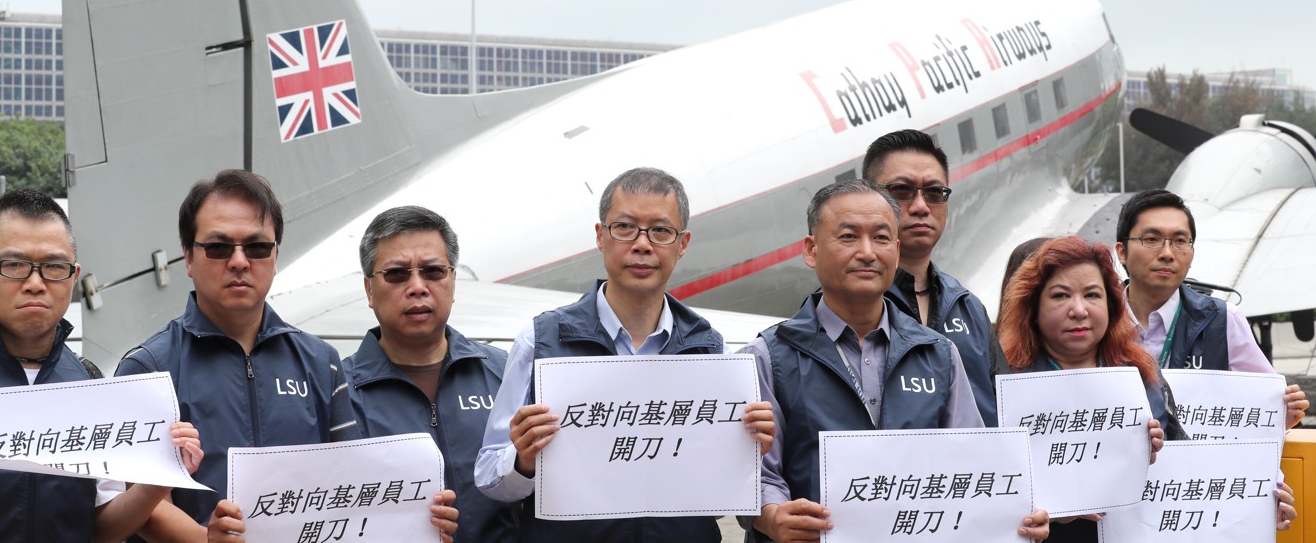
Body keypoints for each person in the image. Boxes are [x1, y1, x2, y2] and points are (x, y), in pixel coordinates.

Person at [475, 167, 775, 542]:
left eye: (661, 231)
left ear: (683, 244)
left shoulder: (708, 347)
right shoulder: (541, 341)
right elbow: (489, 475)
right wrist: (522, 461)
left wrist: (741, 454)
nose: (642, 245)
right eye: (625, 227)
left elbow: (712, 506)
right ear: (601, 237)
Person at [741, 180, 1049, 542]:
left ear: (897, 250)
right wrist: (772, 516)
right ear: (811, 250)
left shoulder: (938, 353)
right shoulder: (769, 356)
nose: (868, 252)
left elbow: (970, 465)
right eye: (848, 237)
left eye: (882, 238)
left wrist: (1014, 514)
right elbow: (755, 473)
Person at [996, 235, 1295, 540]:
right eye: (1060, 296)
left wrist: (1260, 504)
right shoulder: (1003, 383)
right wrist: (1052, 511)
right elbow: (986, 492)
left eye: (1092, 295)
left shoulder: (1142, 373)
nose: (1079, 310)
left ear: (1112, 304)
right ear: (1032, 307)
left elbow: (1191, 476)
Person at [114, 170, 358, 542]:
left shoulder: (322, 362)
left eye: (257, 247)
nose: (240, 261)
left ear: (275, 256)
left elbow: (351, 478)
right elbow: (143, 504)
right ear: (189, 259)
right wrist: (206, 540)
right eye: (219, 247)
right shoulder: (146, 368)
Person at [0, 189, 202, 542]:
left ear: (74, 277)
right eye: (13, 265)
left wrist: (162, 475)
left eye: (54, 267)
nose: (34, 284)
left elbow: (103, 529)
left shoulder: (91, 386)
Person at [342, 206, 511, 541]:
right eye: (397, 274)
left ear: (452, 281)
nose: (417, 287)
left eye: (433, 271)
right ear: (369, 290)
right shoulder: (337, 392)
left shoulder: (504, 372)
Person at [1115, 189, 1308, 428]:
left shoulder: (1223, 320)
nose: (1167, 253)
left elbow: (1268, 407)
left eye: (1180, 241)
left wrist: (1284, 416)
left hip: (1194, 464)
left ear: (1192, 252)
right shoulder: (1097, 321)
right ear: (1122, 252)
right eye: (1151, 239)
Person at [862, 129, 1000, 425]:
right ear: (868, 197)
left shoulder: (968, 307)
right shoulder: (847, 307)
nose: (921, 206)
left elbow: (1004, 410)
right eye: (902, 191)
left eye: (935, 193)